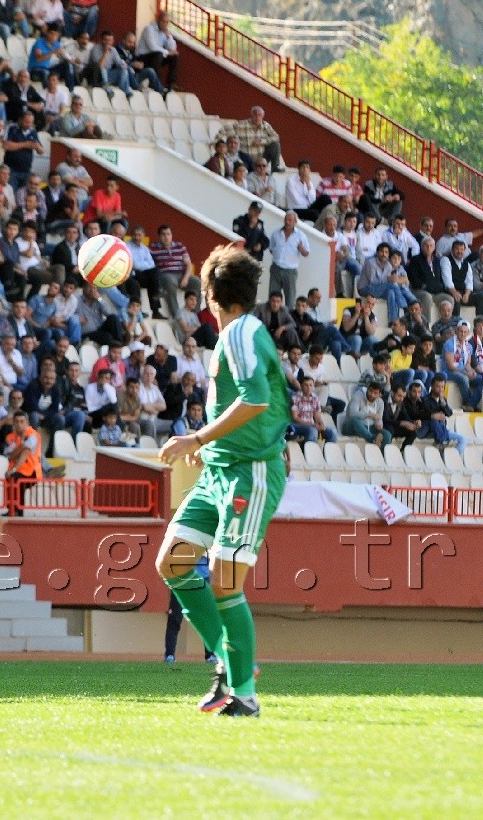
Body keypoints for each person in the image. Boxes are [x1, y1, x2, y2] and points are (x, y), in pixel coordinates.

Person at [157, 244, 291, 717]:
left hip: (249, 474)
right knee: (173, 563)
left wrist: (196, 437)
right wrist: (209, 447)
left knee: (225, 583)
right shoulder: (239, 333)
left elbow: (255, 400)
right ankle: (232, 663)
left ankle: (245, 696)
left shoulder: (240, 334)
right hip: (219, 469)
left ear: (211, 294)